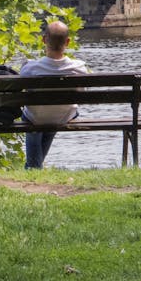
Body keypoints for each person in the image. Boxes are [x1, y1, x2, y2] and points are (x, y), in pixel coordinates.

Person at [19, 20, 89, 170]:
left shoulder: (30, 68)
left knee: (35, 118)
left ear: (44, 40)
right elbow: (82, 92)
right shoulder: (79, 69)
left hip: (35, 119)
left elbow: (22, 92)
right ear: (68, 42)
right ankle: (33, 167)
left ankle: (33, 168)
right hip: (63, 116)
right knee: (54, 113)